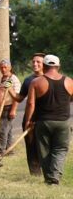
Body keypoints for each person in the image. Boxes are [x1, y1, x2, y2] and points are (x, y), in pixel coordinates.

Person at [22, 54, 72, 185]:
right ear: (58, 66)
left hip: (43, 122)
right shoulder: (69, 81)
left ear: (44, 66)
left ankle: (49, 177)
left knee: (44, 149)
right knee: (60, 149)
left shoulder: (36, 82)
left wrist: (28, 121)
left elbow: (31, 104)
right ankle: (55, 176)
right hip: (63, 122)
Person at [18, 53, 46, 176]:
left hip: (45, 118)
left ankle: (48, 171)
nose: (35, 64)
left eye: (38, 62)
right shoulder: (28, 80)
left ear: (44, 64)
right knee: (31, 145)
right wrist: (7, 90)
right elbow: (19, 98)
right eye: (33, 61)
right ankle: (35, 173)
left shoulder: (50, 79)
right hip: (29, 117)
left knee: (45, 145)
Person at [0, 58, 22, 155]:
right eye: (1, 67)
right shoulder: (3, 79)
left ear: (10, 68)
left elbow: (17, 95)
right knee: (8, 130)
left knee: (2, 130)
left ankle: (0, 151)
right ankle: (10, 150)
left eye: (5, 67)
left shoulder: (13, 79)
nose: (3, 69)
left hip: (9, 107)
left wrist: (13, 110)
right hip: (3, 107)